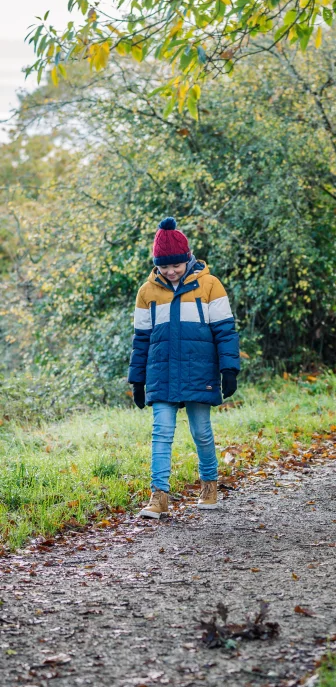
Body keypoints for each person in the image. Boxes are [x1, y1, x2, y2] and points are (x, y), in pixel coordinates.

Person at [128, 217, 240, 519]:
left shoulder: (210, 285)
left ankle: (209, 485)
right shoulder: (147, 292)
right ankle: (159, 496)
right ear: (157, 265)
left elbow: (225, 331)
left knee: (201, 431)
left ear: (187, 258)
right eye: (164, 266)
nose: (171, 271)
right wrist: (137, 380)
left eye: (176, 265)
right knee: (161, 432)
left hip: (199, 371)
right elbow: (141, 340)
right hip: (161, 373)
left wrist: (229, 369)